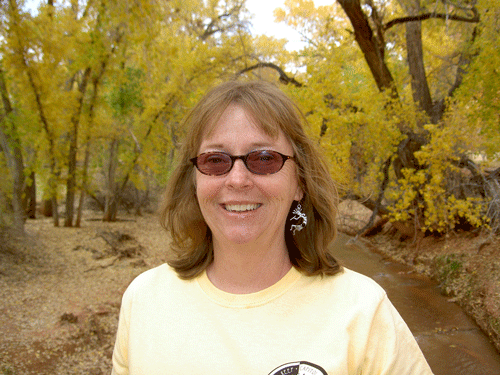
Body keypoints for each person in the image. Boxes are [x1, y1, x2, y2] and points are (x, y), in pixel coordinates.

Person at [111, 80, 433, 375]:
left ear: (300, 183)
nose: (237, 180)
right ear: (195, 179)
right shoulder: (143, 301)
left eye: (264, 159)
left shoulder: (363, 313)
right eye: (215, 160)